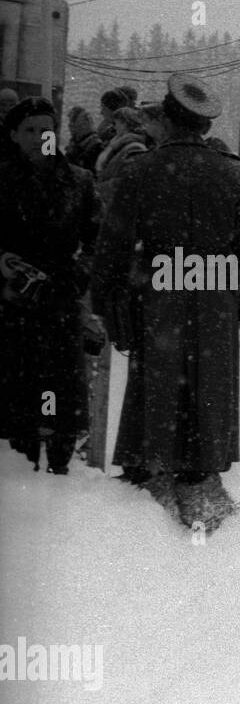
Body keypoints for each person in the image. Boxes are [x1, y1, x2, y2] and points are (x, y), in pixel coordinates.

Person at [91, 74, 240, 532]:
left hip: (160, 291)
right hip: (216, 295)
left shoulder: (141, 170)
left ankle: (151, 461)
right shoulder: (233, 174)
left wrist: (106, 299)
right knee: (208, 380)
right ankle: (200, 469)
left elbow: (113, 244)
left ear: (167, 120)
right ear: (204, 128)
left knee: (159, 374)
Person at [1, 96, 101, 474]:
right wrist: (4, 262)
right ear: (13, 135)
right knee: (18, 391)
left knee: (56, 389)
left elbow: (97, 240)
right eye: (29, 130)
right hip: (12, 303)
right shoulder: (3, 181)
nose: (40, 137)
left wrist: (78, 275)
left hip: (60, 301)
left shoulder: (79, 181)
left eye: (46, 129)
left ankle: (59, 463)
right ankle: (23, 459)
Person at [94, 107, 149, 205]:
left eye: (116, 123)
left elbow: (124, 181)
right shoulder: (117, 142)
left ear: (125, 123)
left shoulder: (134, 147)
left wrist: (99, 189)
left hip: (113, 200)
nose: (115, 127)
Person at [64, 106, 104, 173]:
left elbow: (91, 174)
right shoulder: (75, 142)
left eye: (72, 122)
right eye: (70, 122)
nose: (69, 125)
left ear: (84, 124)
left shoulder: (95, 146)